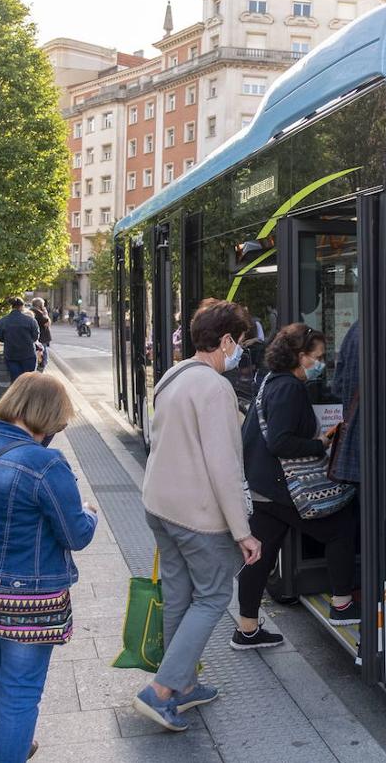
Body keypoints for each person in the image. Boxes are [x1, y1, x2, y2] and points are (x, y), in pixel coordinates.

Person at [0, 373, 98, 763]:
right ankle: (8, 752)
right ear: (47, 415)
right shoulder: (45, 463)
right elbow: (75, 535)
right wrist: (89, 513)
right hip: (26, 599)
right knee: (21, 689)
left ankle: (4, 749)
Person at [133, 299, 262, 732]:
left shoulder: (174, 374)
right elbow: (224, 466)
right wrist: (243, 531)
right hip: (196, 514)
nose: (240, 352)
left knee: (179, 596)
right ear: (225, 340)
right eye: (240, 343)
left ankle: (185, 687)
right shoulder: (215, 387)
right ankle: (162, 691)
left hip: (159, 504)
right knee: (211, 598)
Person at [235, 323, 359, 647]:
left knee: (259, 554)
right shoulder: (290, 388)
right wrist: (319, 444)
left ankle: (246, 628)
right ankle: (343, 605)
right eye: (317, 357)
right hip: (282, 486)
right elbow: (281, 442)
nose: (320, 364)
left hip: (264, 482)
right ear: (299, 356)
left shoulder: (271, 381)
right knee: (341, 527)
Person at [330, 321, 361, 486]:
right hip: (366, 445)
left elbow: (337, 388)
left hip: (353, 445)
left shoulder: (354, 331)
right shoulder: (378, 329)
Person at [0, 297, 42, 380]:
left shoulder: (3, 321)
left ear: (11, 307)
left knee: (16, 381)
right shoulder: (30, 320)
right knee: (29, 380)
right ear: (22, 306)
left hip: (11, 354)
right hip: (28, 354)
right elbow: (35, 337)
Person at [31, 298, 53, 372]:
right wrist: (46, 314)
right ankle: (40, 373)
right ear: (40, 305)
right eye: (43, 305)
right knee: (43, 358)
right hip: (41, 339)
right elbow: (47, 323)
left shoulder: (31, 311)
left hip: (37, 338)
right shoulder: (38, 313)